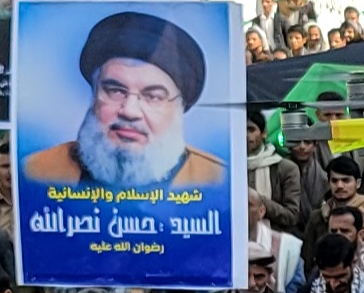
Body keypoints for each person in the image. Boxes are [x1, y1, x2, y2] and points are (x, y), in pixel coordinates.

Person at [20, 11, 225, 191]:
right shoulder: (37, 171)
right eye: (116, 91)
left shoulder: (217, 179)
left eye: (152, 96)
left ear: (179, 108)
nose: (129, 111)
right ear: (94, 95)